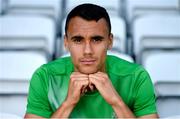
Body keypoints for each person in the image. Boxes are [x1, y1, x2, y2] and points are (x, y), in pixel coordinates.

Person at [24, 3, 158, 118]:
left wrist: (116, 101)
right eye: (78, 40)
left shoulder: (137, 77)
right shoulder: (44, 77)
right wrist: (68, 103)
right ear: (66, 42)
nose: (88, 51)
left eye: (96, 39)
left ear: (110, 41)